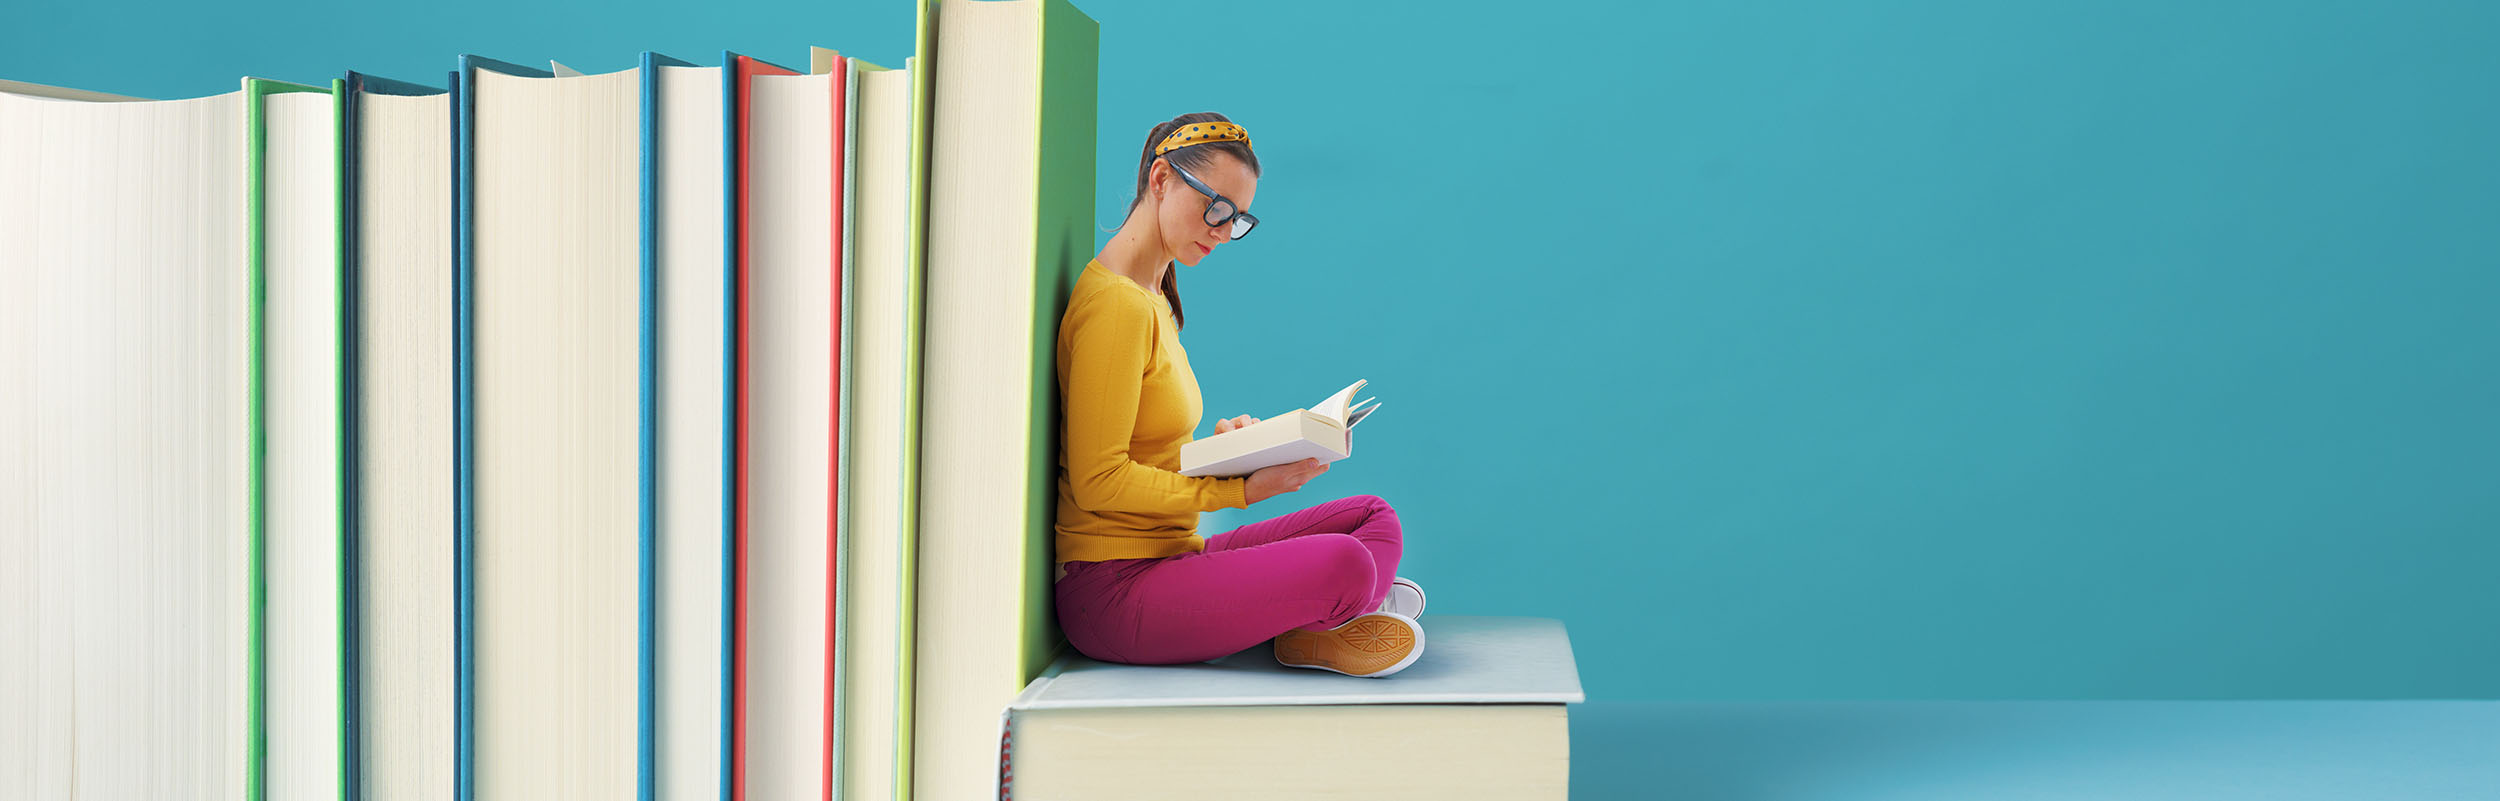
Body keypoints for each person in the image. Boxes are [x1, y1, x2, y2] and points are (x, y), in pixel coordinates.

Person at [1050, 113, 1427, 678]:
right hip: (1111, 590)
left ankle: (1309, 628)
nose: (1223, 231)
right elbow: (1099, 480)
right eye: (1216, 208)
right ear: (1161, 180)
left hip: (1174, 555)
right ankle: (1326, 619)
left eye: (1237, 218)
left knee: (1373, 517)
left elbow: (1145, 449)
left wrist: (1228, 450)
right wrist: (1237, 489)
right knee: (1347, 564)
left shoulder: (1153, 296)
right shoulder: (1117, 307)